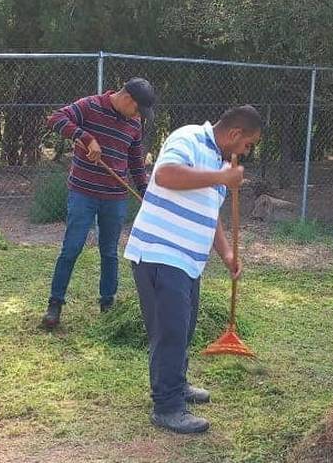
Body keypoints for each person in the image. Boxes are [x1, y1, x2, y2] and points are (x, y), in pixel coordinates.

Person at [123, 105, 262, 434]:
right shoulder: (188, 137)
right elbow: (165, 175)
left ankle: (176, 384)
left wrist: (227, 253)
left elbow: (208, 212)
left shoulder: (217, 160)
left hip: (187, 261)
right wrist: (222, 177)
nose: (247, 151)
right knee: (170, 331)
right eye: (248, 144)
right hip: (160, 253)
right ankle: (168, 407)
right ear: (235, 134)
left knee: (181, 329)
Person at [42, 78, 156, 328]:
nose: (139, 115)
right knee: (71, 248)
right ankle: (55, 305)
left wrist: (146, 192)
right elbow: (56, 119)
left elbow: (135, 162)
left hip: (115, 197)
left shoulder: (134, 122)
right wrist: (85, 137)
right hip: (83, 192)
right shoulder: (90, 106)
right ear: (127, 99)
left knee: (109, 252)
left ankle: (107, 306)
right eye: (138, 109)